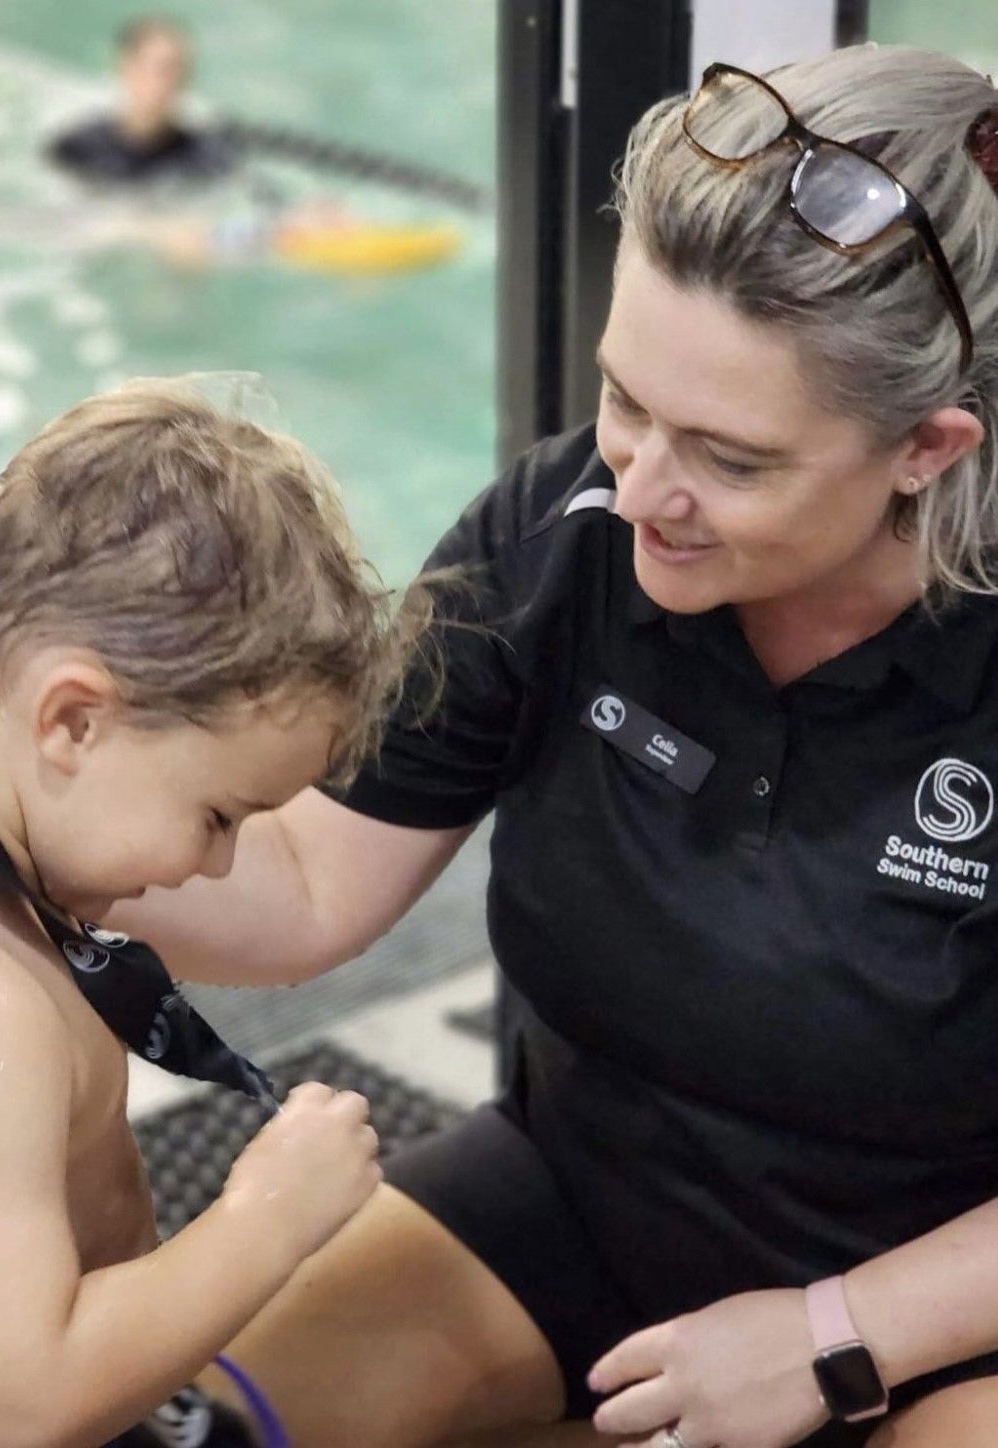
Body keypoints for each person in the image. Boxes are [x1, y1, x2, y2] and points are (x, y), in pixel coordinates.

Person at [110, 42, 998, 1448]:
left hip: (945, 1324)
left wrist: (834, 1343)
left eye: (731, 456)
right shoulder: (565, 528)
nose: (642, 489)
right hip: (582, 1204)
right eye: (625, 399)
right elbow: (306, 879)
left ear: (926, 450)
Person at [0, 380, 432, 1447]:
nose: (218, 863)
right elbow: (20, 1402)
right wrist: (266, 1221)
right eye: (216, 813)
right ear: (72, 719)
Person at [48, 18, 241, 185]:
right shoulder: (77, 149)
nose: (171, 82)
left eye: (181, 71)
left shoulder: (205, 157)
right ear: (126, 67)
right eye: (161, 69)